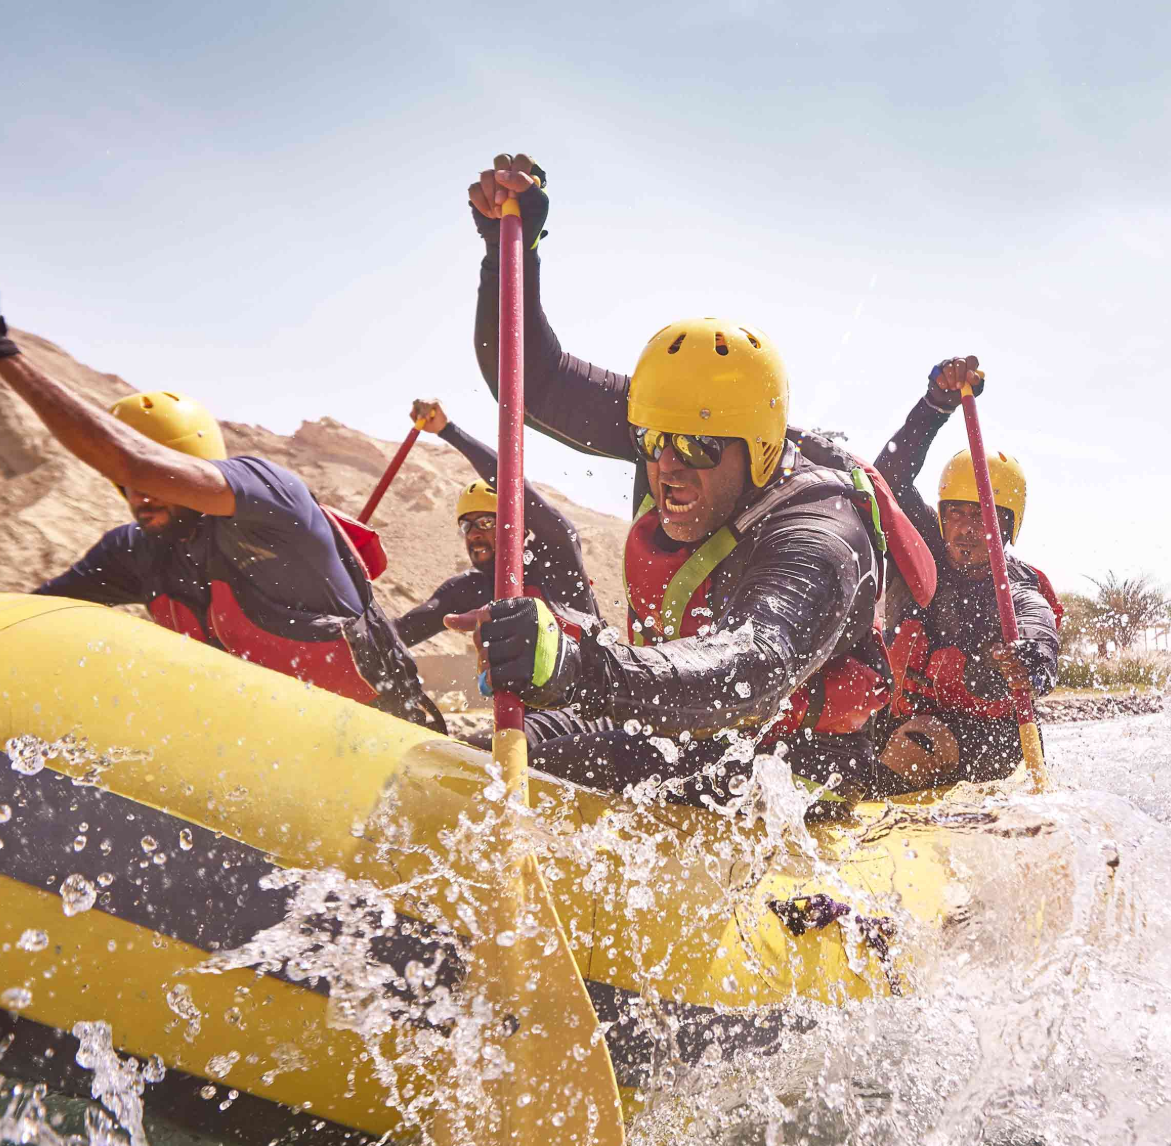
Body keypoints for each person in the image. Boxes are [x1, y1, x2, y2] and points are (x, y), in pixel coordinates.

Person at [446, 153, 937, 801]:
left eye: (696, 448)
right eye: (651, 442)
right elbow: (532, 382)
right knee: (478, 755)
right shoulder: (670, 428)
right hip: (671, 719)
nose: (666, 467)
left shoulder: (821, 534)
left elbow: (752, 669)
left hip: (793, 766)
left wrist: (575, 665)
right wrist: (510, 252)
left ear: (758, 448)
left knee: (559, 767)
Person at [0, 267, 446, 731]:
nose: (139, 494)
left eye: (158, 478)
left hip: (383, 731)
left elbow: (133, 462)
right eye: (127, 486)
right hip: (272, 745)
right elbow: (30, 617)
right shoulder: (133, 551)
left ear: (192, 468)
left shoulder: (270, 495)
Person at [874, 355, 1062, 785]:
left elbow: (1038, 626)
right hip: (909, 717)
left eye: (982, 516)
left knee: (913, 745)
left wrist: (1031, 660)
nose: (966, 529)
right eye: (956, 513)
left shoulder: (1017, 589)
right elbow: (886, 482)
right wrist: (934, 406)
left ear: (1009, 526)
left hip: (990, 739)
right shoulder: (927, 549)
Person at [392, 399, 601, 650]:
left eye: (485, 522)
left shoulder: (558, 556)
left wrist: (447, 431)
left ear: (520, 527)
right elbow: (399, 634)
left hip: (592, 671)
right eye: (467, 526)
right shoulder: (469, 588)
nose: (474, 534)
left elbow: (516, 487)